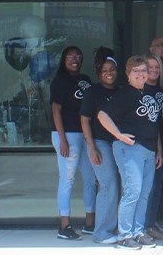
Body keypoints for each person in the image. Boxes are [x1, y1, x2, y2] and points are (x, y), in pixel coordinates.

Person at [98, 55, 163, 250]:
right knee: (132, 192)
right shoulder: (124, 94)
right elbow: (102, 115)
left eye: (143, 70)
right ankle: (124, 235)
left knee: (144, 193)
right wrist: (118, 135)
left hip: (150, 150)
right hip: (130, 149)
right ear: (128, 74)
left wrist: (159, 148)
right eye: (136, 71)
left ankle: (137, 231)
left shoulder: (147, 93)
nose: (141, 74)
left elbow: (153, 123)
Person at [50, 45, 95, 241]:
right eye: (70, 56)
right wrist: (62, 140)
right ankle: (64, 225)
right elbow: (56, 111)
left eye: (78, 56)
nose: (74, 59)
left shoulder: (84, 80)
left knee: (91, 178)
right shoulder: (60, 80)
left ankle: (90, 222)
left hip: (85, 134)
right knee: (67, 179)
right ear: (63, 59)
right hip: (67, 134)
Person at [80, 48, 120, 244]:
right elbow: (85, 120)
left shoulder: (121, 92)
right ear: (99, 73)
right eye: (105, 70)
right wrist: (91, 147)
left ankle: (114, 228)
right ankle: (102, 232)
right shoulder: (92, 91)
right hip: (100, 143)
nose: (109, 73)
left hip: (119, 146)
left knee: (118, 186)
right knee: (108, 184)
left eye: (112, 69)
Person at [144, 54, 163, 240]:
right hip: (150, 145)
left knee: (159, 187)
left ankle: (152, 222)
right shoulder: (141, 90)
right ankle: (145, 226)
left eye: (157, 67)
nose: (154, 70)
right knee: (149, 188)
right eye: (149, 67)